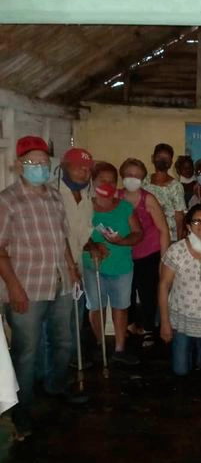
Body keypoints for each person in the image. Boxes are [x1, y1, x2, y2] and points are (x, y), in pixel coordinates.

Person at [0, 136, 80, 436]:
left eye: (44, 162)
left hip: (59, 282)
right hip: (27, 287)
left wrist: (71, 268)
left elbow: (62, 237)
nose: (39, 167)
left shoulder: (55, 197)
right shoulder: (7, 200)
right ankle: (22, 410)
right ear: (19, 165)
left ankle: (57, 386)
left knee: (63, 341)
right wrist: (13, 287)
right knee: (26, 351)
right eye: (32, 162)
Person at [83, 162, 143, 366]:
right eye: (102, 180)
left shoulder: (125, 207)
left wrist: (121, 241)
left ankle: (119, 349)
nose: (107, 185)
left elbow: (138, 233)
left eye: (111, 181)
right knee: (95, 307)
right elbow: (75, 234)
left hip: (121, 267)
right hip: (93, 266)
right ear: (93, 182)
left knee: (120, 307)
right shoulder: (85, 207)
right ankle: (100, 345)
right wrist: (92, 246)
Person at [118, 158, 170, 347]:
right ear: (122, 176)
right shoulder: (116, 197)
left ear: (143, 179)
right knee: (126, 293)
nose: (133, 179)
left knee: (148, 293)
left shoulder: (148, 199)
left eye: (137, 176)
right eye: (129, 175)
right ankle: (130, 326)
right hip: (124, 253)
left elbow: (164, 230)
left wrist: (163, 260)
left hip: (148, 252)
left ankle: (148, 329)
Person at [159, 205, 201, 376]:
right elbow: (163, 286)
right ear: (188, 226)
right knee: (180, 370)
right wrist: (165, 322)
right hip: (182, 319)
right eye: (196, 221)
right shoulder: (177, 250)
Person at [54, 147, 96, 368]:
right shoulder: (53, 194)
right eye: (79, 167)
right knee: (58, 325)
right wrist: (69, 267)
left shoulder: (87, 196)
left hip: (77, 267)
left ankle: (71, 361)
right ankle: (53, 371)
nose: (84, 172)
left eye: (88, 169)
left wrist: (92, 245)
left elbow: (81, 234)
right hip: (57, 270)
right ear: (64, 167)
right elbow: (57, 235)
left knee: (75, 319)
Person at [142, 143, 186, 242]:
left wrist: (178, 242)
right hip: (147, 235)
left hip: (169, 238)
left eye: (166, 158)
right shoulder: (144, 181)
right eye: (159, 157)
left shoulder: (176, 186)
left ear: (171, 162)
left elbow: (179, 217)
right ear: (153, 158)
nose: (162, 160)